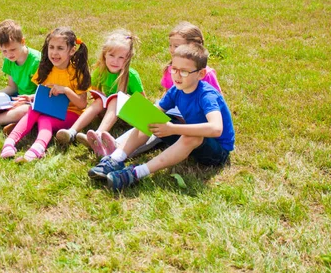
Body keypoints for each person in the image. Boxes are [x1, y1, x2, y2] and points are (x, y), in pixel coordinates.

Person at [88, 43, 234, 191]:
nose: (176, 75)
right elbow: (153, 112)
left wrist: (173, 129)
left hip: (217, 151)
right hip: (192, 141)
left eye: (184, 72)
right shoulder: (176, 90)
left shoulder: (207, 95)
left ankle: (137, 173)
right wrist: (137, 113)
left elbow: (216, 129)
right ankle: (116, 158)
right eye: (174, 69)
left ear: (200, 74)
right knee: (151, 117)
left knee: (191, 136)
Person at [103, 21, 223, 155]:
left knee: (155, 126)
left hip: (195, 126)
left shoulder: (206, 74)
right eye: (170, 45)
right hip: (173, 117)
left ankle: (117, 149)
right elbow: (168, 98)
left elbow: (217, 107)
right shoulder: (170, 69)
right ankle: (116, 147)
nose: (172, 49)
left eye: (176, 46)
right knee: (151, 119)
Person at [1, 27, 91, 163]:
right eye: (51, 47)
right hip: (50, 108)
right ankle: (10, 142)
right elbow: (43, 94)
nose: (54, 53)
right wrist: (32, 97)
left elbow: (82, 104)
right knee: (33, 109)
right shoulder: (46, 68)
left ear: (72, 50)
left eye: (60, 48)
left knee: (45, 120)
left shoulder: (77, 72)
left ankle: (38, 148)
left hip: (71, 113)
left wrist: (66, 90)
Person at [55, 29, 145, 156]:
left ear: (128, 59)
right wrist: (101, 98)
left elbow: (142, 103)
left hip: (127, 116)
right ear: (104, 55)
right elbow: (95, 92)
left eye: (121, 58)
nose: (115, 61)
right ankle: (71, 132)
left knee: (115, 99)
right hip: (109, 113)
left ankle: (97, 135)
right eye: (112, 56)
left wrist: (125, 99)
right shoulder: (100, 72)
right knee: (98, 101)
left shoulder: (131, 76)